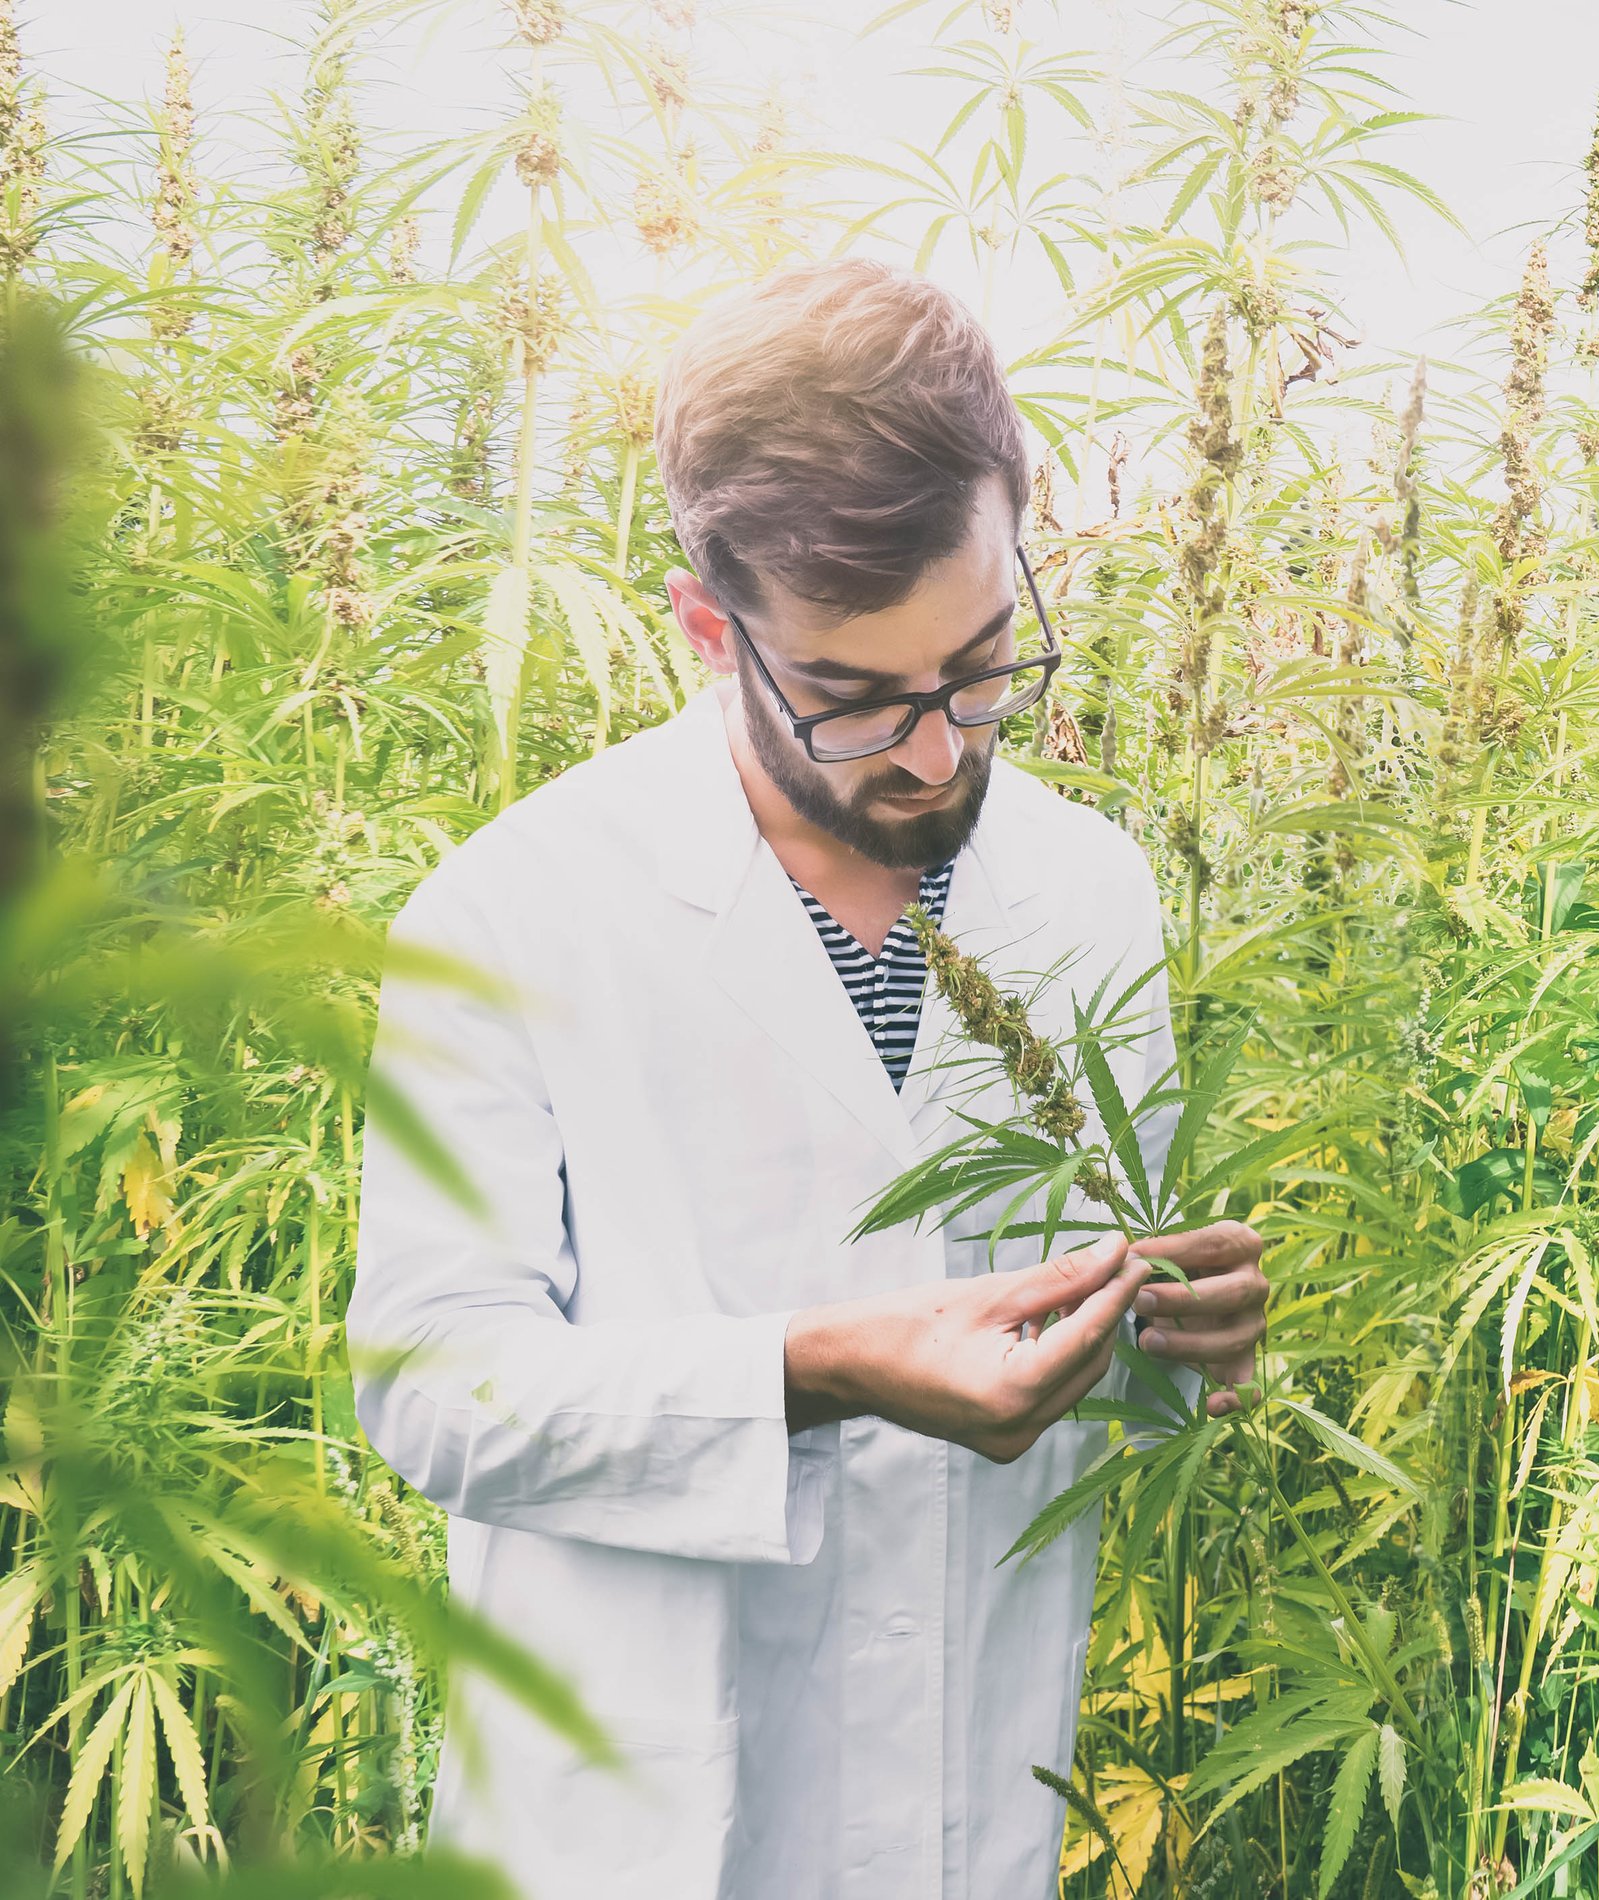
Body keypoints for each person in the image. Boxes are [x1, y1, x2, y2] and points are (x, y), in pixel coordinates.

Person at [349, 258, 1269, 1899]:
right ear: (715, 629)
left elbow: (1087, 1335)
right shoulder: (510, 913)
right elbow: (432, 1386)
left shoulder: (1091, 893)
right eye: (854, 701)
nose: (937, 751)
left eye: (983, 665)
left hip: (967, 1802)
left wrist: (1174, 1337)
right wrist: (814, 1369)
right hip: (638, 1818)